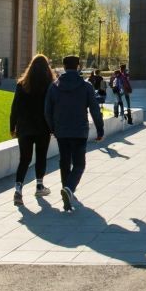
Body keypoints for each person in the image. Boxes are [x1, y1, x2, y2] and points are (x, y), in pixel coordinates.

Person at [44, 55, 105, 212]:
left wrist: (52, 128)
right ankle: (69, 189)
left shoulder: (54, 86)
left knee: (64, 162)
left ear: (64, 67)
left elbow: (47, 111)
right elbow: (95, 109)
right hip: (79, 130)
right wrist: (100, 129)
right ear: (78, 66)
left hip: (61, 131)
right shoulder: (86, 86)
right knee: (79, 164)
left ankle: (67, 196)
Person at [9, 55, 53, 206]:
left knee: (24, 159)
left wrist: (12, 126)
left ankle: (18, 190)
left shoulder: (22, 85)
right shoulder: (49, 85)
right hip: (43, 128)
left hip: (24, 128)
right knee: (41, 157)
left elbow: (15, 107)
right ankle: (39, 186)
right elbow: (51, 108)